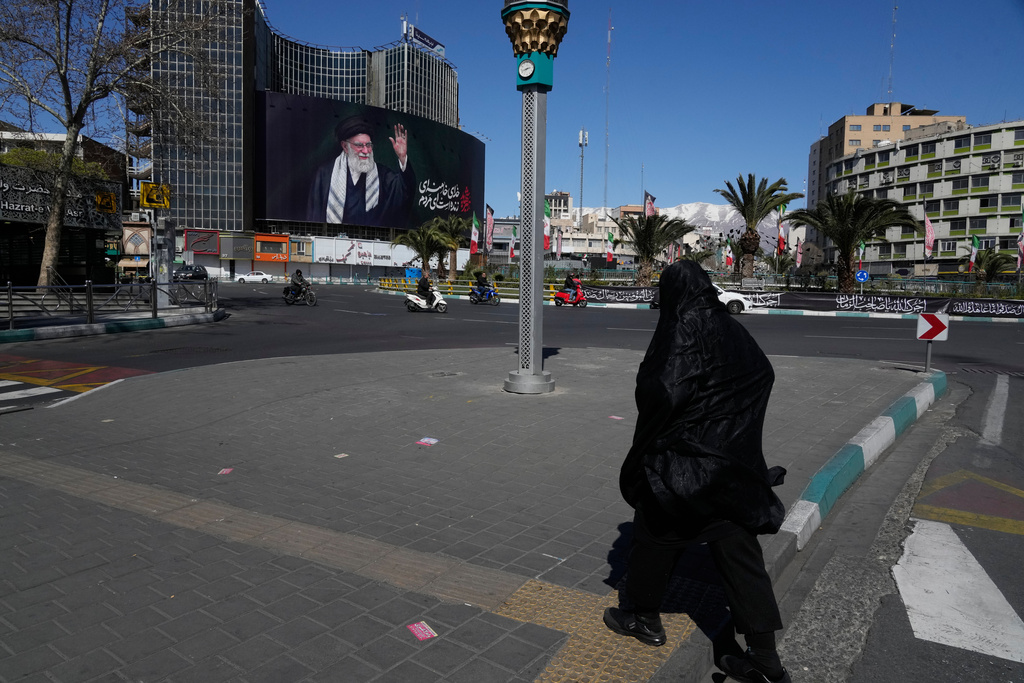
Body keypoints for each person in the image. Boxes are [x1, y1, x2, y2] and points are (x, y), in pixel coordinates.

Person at [603, 261, 791, 683]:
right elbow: (762, 373)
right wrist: (732, 425)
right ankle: (764, 660)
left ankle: (642, 617)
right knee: (740, 557)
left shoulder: (684, 326)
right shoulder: (732, 328)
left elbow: (663, 390)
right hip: (732, 470)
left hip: (686, 464)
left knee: (653, 530)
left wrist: (687, 427)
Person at [306, 116, 415, 227]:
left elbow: (403, 190)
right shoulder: (325, 175)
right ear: (345, 146)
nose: (365, 151)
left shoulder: (382, 175)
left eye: (368, 145)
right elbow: (314, 216)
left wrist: (402, 157)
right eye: (359, 145)